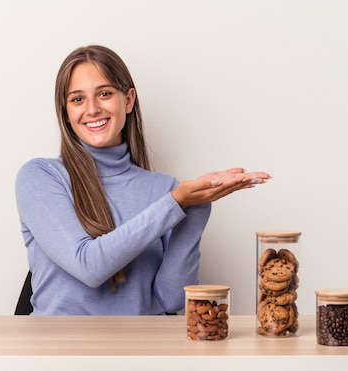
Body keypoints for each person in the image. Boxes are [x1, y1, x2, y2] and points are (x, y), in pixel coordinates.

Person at [15, 45, 270, 315]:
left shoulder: (166, 190)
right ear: (65, 112)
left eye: (104, 94)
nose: (92, 109)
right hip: (60, 350)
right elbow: (88, 266)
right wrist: (176, 202)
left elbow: (172, 300)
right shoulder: (40, 177)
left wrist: (198, 204)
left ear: (128, 100)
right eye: (77, 99)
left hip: (144, 348)